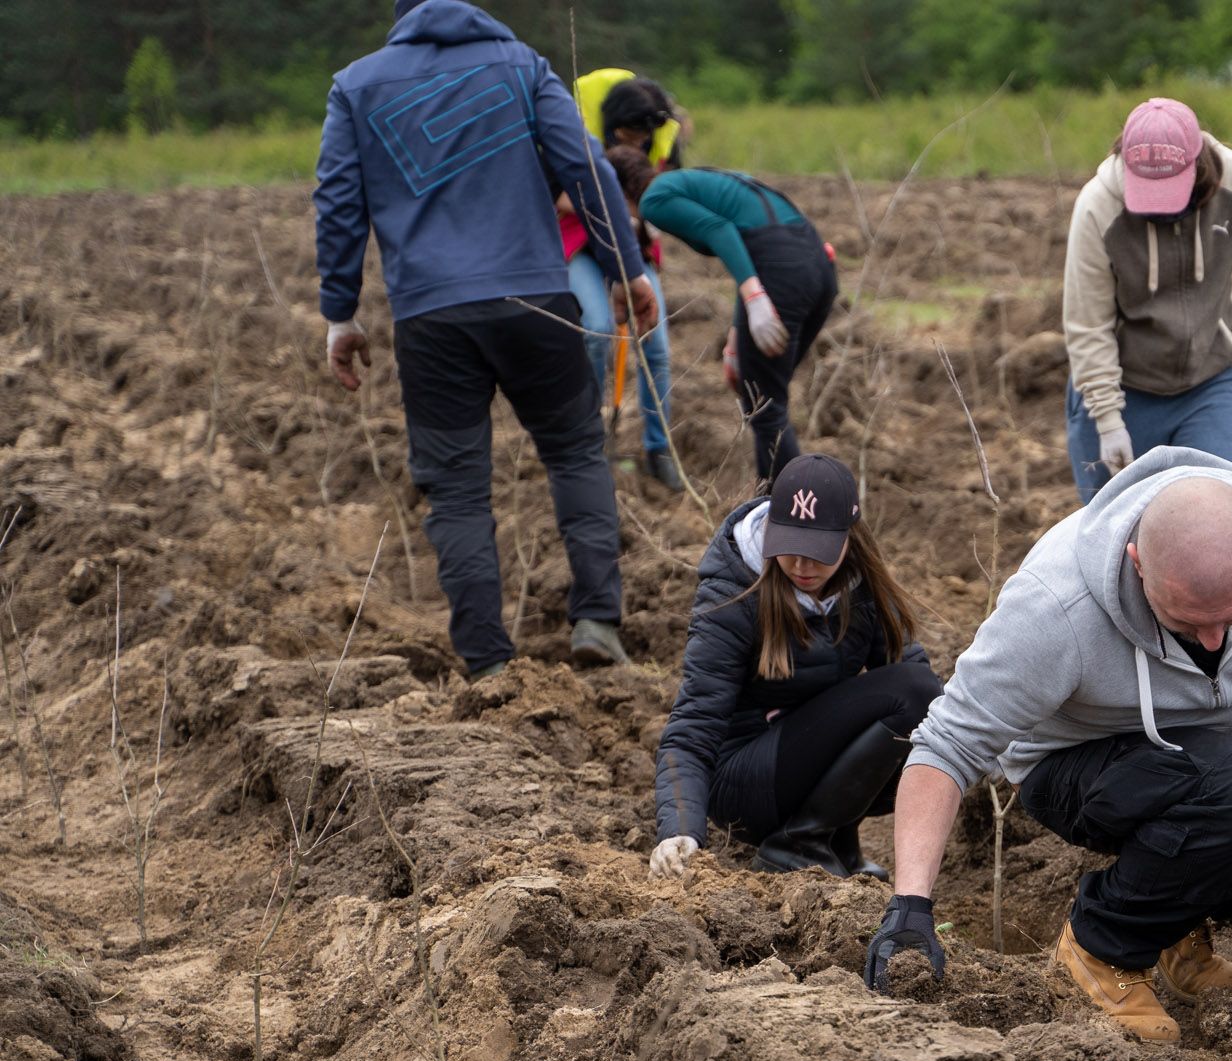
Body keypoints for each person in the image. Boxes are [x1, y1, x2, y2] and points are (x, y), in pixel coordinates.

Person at [866, 448, 1232, 1043]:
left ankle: (1178, 916)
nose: (1213, 639)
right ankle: (1103, 946)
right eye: (1186, 622)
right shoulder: (1057, 604)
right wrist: (910, 904)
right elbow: (947, 743)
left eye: (1230, 618)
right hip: (1078, 758)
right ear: (1136, 564)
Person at [315, 0, 657, 679]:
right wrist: (627, 268)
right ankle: (596, 620)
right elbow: (585, 167)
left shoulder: (355, 86)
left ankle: (487, 660)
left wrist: (340, 312)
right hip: (536, 299)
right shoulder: (522, 66)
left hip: (431, 318)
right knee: (575, 453)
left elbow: (337, 200)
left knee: (458, 492)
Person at [650, 454, 941, 880]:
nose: (803, 567)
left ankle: (838, 842)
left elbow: (908, 673)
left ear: (848, 537)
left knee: (925, 720)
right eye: (790, 549)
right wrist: (680, 830)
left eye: (817, 553)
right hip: (743, 782)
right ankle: (797, 843)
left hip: (797, 758)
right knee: (913, 693)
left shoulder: (863, 586)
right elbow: (694, 723)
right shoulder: (733, 594)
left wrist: (983, 744)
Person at [1064, 98, 1232, 504]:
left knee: (1213, 514)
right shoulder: (1098, 207)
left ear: (1196, 165)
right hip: (1124, 385)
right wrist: (1107, 419)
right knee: (1119, 534)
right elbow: (1089, 322)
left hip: (1210, 379)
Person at [638, 168, 840, 483]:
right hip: (818, 264)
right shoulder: (713, 181)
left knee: (765, 405)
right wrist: (738, 334)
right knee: (768, 398)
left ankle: (786, 513)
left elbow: (721, 230)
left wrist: (756, 297)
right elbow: (756, 241)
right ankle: (779, 505)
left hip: (781, 274)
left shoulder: (653, 198)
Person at [562, 74, 683, 490]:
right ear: (610, 126)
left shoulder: (661, 146)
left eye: (642, 135)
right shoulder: (573, 141)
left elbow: (668, 196)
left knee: (658, 345)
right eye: (627, 134)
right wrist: (605, 205)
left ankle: (659, 449)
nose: (635, 144)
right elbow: (555, 198)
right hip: (581, 246)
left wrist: (639, 220)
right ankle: (590, 443)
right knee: (596, 329)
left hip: (633, 253)